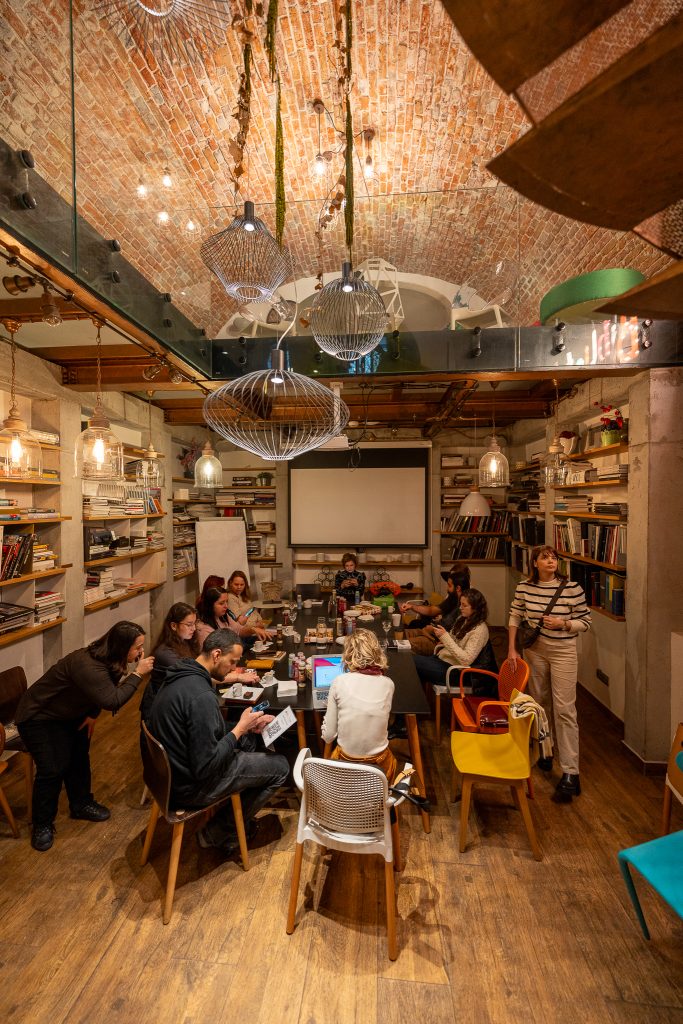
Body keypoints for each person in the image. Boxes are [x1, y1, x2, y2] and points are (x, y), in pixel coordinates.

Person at [147, 628, 290, 853]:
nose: (234, 668)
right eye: (232, 662)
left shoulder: (181, 674)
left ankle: (236, 814)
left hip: (167, 777)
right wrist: (239, 729)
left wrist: (245, 728)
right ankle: (218, 832)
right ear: (216, 655)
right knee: (280, 767)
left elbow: (204, 731)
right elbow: (206, 765)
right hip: (190, 786)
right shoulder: (201, 696)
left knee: (249, 741)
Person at [16, 621, 154, 852]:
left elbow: (101, 690)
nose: (141, 652)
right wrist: (138, 674)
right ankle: (42, 824)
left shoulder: (111, 659)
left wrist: (91, 714)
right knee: (53, 768)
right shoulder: (88, 665)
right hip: (39, 717)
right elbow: (112, 700)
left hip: (71, 713)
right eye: (137, 647)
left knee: (79, 758)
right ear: (121, 647)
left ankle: (80, 803)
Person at [507, 545, 591, 803]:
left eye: (554, 558)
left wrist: (564, 623)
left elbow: (585, 621)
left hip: (564, 651)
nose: (551, 561)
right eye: (545, 558)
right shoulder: (524, 587)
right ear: (535, 563)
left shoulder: (572, 588)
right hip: (535, 650)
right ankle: (546, 748)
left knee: (565, 709)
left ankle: (571, 772)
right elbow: (515, 615)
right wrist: (512, 650)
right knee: (540, 702)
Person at [321, 628, 396, 781]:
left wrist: (327, 720)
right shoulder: (388, 684)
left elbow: (328, 737)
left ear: (348, 654)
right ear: (377, 652)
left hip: (345, 767)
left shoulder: (339, 681)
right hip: (379, 769)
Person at [411, 588, 490, 689]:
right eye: (460, 604)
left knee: (411, 661)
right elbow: (453, 640)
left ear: (475, 608)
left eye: (464, 605)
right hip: (443, 660)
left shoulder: (480, 630)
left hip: (455, 672)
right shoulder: (463, 619)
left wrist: (445, 637)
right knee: (412, 663)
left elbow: (466, 660)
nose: (460, 608)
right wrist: (442, 638)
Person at [402, 566, 472, 654]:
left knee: (400, 645)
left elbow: (455, 636)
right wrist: (411, 606)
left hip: (435, 641)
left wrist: (433, 629)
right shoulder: (452, 598)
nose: (447, 589)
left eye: (449, 586)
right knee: (397, 634)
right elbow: (431, 610)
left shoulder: (466, 607)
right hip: (429, 632)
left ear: (458, 588)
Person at [196, 585, 270, 646]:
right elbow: (211, 655)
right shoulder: (204, 629)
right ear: (210, 605)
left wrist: (253, 629)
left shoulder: (224, 616)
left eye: (226, 602)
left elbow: (239, 630)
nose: (226, 606)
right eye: (221, 603)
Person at [225, 570, 274, 635]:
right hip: (249, 631)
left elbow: (253, 610)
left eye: (242, 584)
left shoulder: (243, 595)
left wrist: (261, 621)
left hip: (259, 626)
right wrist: (256, 625)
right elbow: (240, 622)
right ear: (231, 583)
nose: (239, 587)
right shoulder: (230, 597)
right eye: (236, 584)